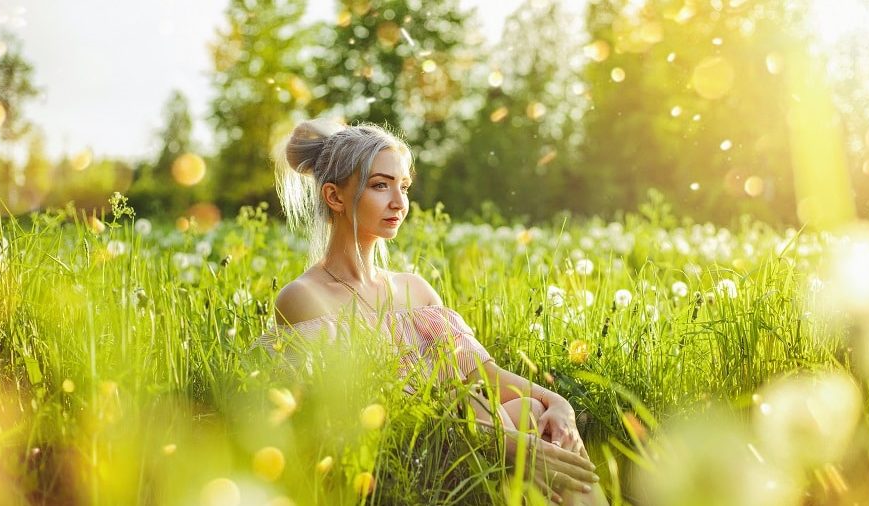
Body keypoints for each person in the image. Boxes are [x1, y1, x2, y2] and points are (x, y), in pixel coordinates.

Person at [256, 118, 607, 505]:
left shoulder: (415, 290)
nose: (399, 202)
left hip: (471, 437)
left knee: (534, 411)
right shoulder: (303, 297)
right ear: (335, 197)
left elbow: (485, 376)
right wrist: (505, 444)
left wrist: (561, 404)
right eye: (379, 185)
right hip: (399, 461)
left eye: (402, 186)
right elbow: (369, 411)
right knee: (494, 411)